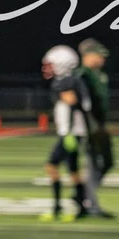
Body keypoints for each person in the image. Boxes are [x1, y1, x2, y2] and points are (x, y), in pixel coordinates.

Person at [40, 45, 91, 222]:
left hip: (71, 132)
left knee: (51, 166)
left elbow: (72, 104)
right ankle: (82, 207)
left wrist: (68, 132)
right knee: (74, 170)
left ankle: (57, 207)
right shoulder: (73, 80)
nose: (48, 68)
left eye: (51, 64)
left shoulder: (66, 82)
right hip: (75, 131)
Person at [74, 39, 113, 217]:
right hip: (90, 125)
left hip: (100, 125)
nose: (102, 59)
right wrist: (91, 126)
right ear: (88, 55)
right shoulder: (83, 75)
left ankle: (82, 195)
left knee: (107, 162)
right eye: (98, 55)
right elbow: (84, 105)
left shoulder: (99, 75)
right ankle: (91, 205)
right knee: (92, 164)